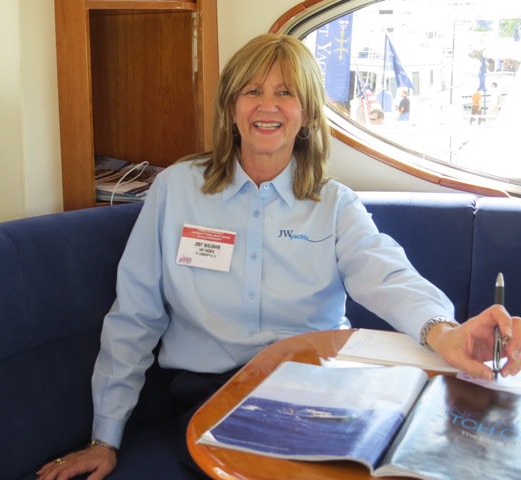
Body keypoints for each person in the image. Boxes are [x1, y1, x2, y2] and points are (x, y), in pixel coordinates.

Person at [37, 34, 521, 480]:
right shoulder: (175, 190)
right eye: (252, 91)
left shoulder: (334, 204)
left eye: (285, 93)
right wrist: (105, 437)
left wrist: (445, 332)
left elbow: (387, 276)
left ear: (306, 114)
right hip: (211, 390)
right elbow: (135, 315)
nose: (267, 106)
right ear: (231, 107)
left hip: (320, 388)